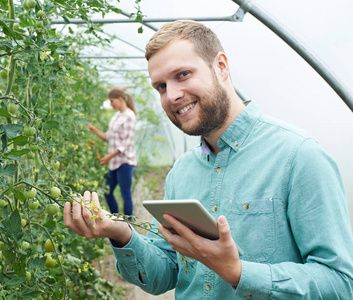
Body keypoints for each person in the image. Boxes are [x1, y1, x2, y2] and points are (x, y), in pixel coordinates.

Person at [64, 20, 353, 299]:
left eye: (183, 75)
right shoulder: (182, 172)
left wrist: (238, 272)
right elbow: (166, 273)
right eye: (161, 87)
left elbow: (341, 285)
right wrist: (121, 234)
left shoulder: (298, 156)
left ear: (221, 66)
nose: (172, 95)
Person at [87, 88, 137, 217]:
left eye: (112, 101)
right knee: (107, 192)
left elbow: (127, 143)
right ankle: (115, 218)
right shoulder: (116, 116)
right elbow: (107, 137)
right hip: (114, 162)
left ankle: (128, 223)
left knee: (125, 193)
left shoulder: (130, 116)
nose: (111, 104)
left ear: (120, 99)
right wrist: (95, 130)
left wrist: (109, 156)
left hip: (125, 162)